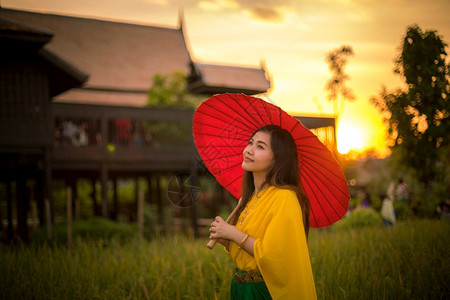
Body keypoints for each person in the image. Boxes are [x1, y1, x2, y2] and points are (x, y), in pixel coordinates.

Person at [209, 125, 317, 300]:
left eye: (260, 146)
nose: (249, 150)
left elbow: (273, 255)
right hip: (240, 289)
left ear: (278, 159)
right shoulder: (250, 198)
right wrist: (226, 241)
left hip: (264, 291)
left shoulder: (284, 197)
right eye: (251, 143)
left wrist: (232, 232)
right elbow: (251, 252)